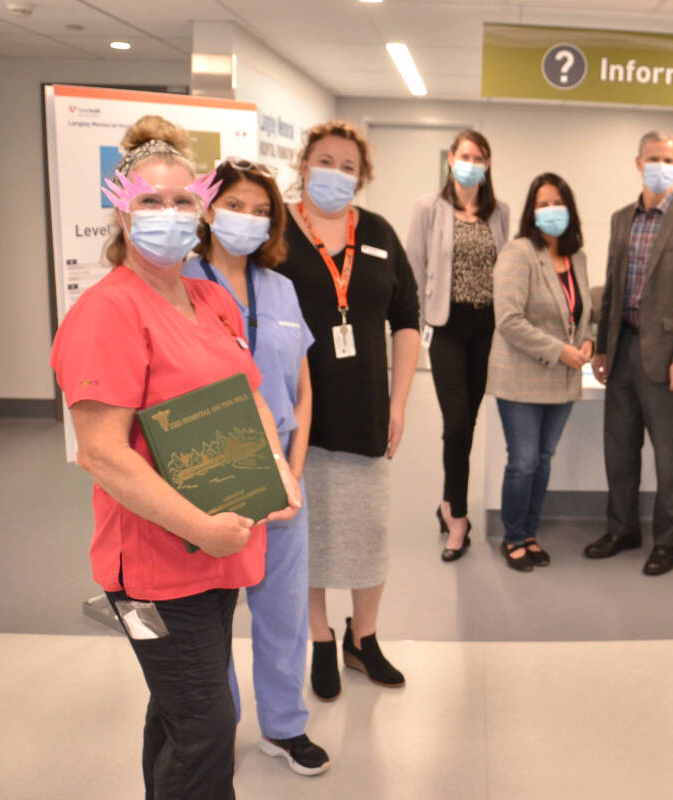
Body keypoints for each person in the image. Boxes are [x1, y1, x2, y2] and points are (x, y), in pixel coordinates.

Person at [49, 115, 301, 799]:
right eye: (150, 203)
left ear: (203, 209)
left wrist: (277, 471)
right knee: (208, 722)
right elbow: (101, 454)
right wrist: (200, 528)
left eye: (183, 201)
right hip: (154, 569)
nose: (169, 215)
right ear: (122, 212)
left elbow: (247, 396)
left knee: (178, 710)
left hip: (219, 550)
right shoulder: (108, 312)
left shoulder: (209, 298)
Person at [182, 158, 328, 775]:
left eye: (261, 210)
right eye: (235, 205)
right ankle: (222, 729)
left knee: (283, 611)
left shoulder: (282, 287)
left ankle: (284, 727)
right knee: (213, 617)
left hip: (285, 475)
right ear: (208, 209)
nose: (248, 218)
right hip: (212, 472)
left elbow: (302, 389)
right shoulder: (179, 282)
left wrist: (292, 472)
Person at [278, 120, 421, 701]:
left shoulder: (380, 232)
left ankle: (363, 639)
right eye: (325, 161)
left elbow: (407, 319)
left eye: (348, 166)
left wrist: (400, 401)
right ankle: (318, 639)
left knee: (368, 531)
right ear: (304, 164)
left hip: (365, 408)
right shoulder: (277, 231)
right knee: (307, 532)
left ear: (361, 177)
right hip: (297, 412)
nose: (336, 173)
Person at [586, 129, 673, 576]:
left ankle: (666, 539)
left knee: (668, 456)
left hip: (666, 358)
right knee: (619, 451)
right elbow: (610, 286)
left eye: (669, 159)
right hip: (621, 349)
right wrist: (602, 346)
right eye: (654, 158)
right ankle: (622, 529)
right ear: (638, 162)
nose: (662, 165)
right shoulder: (622, 218)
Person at [406, 130, 510, 561]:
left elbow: (507, 267)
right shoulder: (428, 207)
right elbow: (414, 268)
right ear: (451, 160)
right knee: (457, 420)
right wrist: (411, 332)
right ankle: (459, 519)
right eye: (465, 155)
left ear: (487, 164)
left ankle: (448, 503)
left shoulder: (500, 211)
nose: (472, 162)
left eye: (479, 156)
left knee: (467, 424)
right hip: (445, 327)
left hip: (487, 328)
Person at [487, 173, 594, 572]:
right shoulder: (518, 252)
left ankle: (530, 533)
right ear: (532, 211)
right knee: (523, 461)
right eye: (543, 203)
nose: (551, 210)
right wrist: (561, 351)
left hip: (562, 379)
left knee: (544, 459)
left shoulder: (577, 257)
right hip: (520, 377)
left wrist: (588, 344)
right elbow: (509, 320)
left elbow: (581, 314)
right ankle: (512, 537)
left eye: (558, 202)